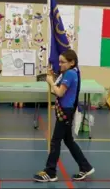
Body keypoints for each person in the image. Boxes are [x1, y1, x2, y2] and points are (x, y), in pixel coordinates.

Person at [33, 49, 94, 182]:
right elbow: (59, 85)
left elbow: (60, 92)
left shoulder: (70, 74)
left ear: (72, 62)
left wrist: (50, 81)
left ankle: (51, 171)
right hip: (65, 110)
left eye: (62, 62)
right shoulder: (69, 72)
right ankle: (85, 166)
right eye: (59, 61)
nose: (59, 64)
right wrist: (52, 77)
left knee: (56, 141)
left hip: (65, 112)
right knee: (68, 141)